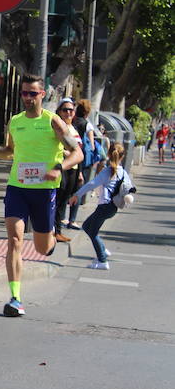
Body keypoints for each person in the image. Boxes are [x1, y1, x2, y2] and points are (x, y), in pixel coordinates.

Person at [0, 74, 83, 317]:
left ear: (43, 95)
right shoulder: (15, 122)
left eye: (33, 93)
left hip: (44, 192)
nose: (28, 98)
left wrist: (58, 168)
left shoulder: (53, 122)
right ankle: (15, 298)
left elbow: (78, 154)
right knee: (14, 240)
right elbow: (10, 151)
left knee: (42, 248)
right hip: (17, 188)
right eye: (24, 93)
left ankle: (50, 238)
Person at [68, 142, 134, 270]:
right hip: (113, 207)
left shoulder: (107, 172)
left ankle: (102, 259)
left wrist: (77, 195)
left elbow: (91, 184)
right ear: (122, 156)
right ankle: (103, 250)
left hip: (104, 206)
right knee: (92, 228)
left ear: (109, 154)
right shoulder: (123, 173)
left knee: (89, 228)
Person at [52, 98, 81, 243]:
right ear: (59, 112)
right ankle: (54, 231)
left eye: (71, 110)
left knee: (64, 201)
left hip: (73, 169)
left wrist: (80, 172)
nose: (68, 112)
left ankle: (58, 230)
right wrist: (65, 153)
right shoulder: (59, 126)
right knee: (57, 201)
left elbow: (79, 151)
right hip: (61, 167)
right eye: (65, 110)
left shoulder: (73, 128)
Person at [65, 99, 93, 230]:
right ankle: (72, 220)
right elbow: (91, 146)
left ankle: (62, 218)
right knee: (77, 191)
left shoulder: (71, 123)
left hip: (66, 160)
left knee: (64, 191)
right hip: (79, 162)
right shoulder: (86, 124)